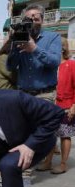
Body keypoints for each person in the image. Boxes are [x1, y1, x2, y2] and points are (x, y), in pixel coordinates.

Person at [36, 37, 75, 174]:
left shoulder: (71, 65)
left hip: (66, 105)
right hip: (50, 105)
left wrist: (74, 106)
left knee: (65, 135)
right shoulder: (49, 66)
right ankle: (48, 161)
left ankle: (63, 164)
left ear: (63, 48)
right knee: (50, 134)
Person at [7, 4, 61, 102]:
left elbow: (55, 62)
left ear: (42, 20)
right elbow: (10, 67)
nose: (32, 23)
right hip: (23, 95)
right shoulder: (20, 38)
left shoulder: (53, 37)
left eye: (36, 19)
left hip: (45, 95)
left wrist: (34, 49)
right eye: (28, 21)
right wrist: (14, 47)